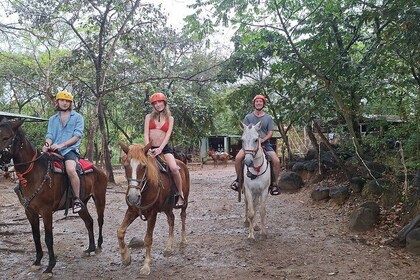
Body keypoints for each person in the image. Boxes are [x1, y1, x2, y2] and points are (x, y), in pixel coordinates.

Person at [42, 90, 85, 213]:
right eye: (62, 100)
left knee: (71, 169)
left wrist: (61, 145)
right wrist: (46, 145)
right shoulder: (52, 119)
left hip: (69, 150)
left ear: (70, 103)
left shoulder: (77, 117)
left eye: (67, 101)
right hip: (53, 149)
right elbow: (49, 135)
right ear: (57, 102)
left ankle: (77, 199)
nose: (65, 103)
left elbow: (77, 136)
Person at [230, 94, 280, 195]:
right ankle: (238, 180)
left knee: (276, 160)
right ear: (254, 104)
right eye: (257, 101)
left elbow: (270, 132)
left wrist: (263, 139)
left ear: (263, 104)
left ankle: (274, 184)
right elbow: (245, 131)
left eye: (260, 101)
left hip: (265, 144)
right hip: (250, 145)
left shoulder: (268, 118)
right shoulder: (248, 117)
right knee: (238, 158)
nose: (258, 103)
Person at [144, 92, 185, 208]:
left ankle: (180, 194)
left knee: (174, 169)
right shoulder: (148, 117)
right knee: (139, 167)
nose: (158, 105)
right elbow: (146, 134)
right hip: (150, 148)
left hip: (164, 148)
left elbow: (168, 135)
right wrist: (147, 148)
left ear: (164, 103)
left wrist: (160, 149)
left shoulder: (170, 118)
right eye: (155, 103)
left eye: (159, 102)